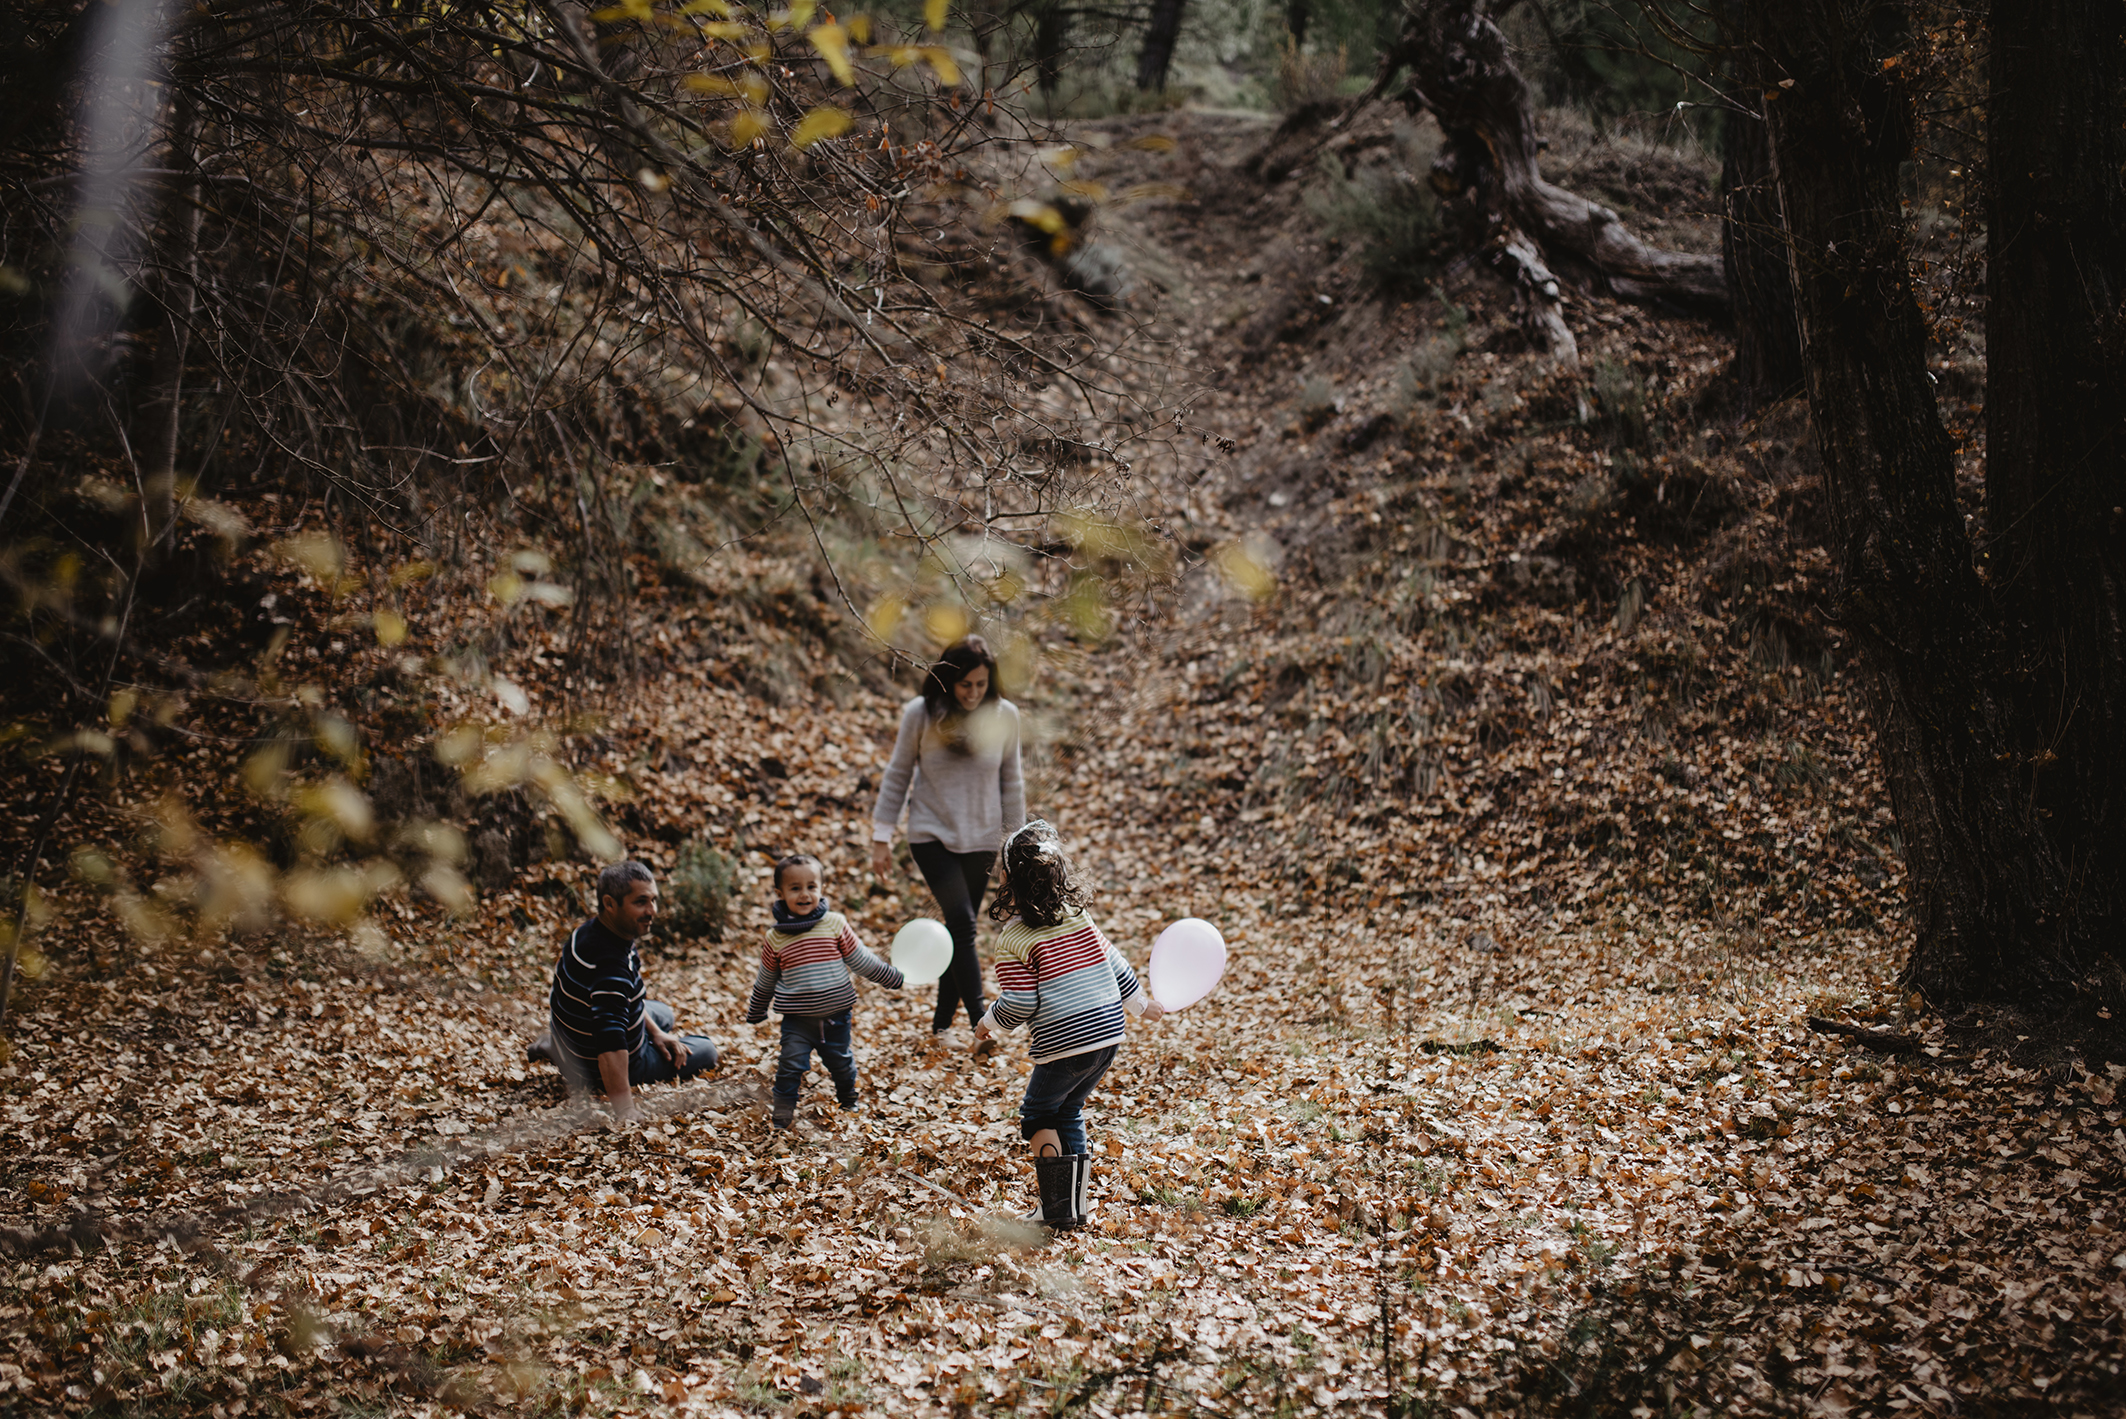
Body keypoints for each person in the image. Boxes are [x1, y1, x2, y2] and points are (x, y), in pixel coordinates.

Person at [973, 820, 1164, 1229]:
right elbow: (1115, 963)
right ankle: (1076, 1208)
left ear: (1010, 880)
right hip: (1108, 1032)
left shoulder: (1013, 939)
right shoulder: (1077, 915)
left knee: (1039, 1115)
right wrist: (1140, 1004)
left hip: (1067, 1040)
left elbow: (1021, 1001)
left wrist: (988, 1021)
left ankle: (1056, 1210)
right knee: (1070, 1109)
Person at [870, 635, 1026, 1045]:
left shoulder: (1004, 716)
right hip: (931, 834)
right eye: (965, 685)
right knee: (962, 925)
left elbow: (1012, 783)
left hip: (983, 838)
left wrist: (1015, 847)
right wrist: (881, 836)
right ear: (947, 681)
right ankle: (983, 1024)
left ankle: (941, 1028)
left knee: (959, 934)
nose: (974, 693)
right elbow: (898, 774)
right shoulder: (921, 715)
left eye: (981, 685)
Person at [531, 861, 719, 1121]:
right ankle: (565, 1055)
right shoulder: (610, 967)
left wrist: (657, 1034)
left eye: (654, 900)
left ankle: (553, 1046)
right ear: (610, 903)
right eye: (641, 902)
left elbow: (627, 1000)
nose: (651, 910)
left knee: (664, 1014)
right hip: (596, 1065)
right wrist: (625, 1109)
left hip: (570, 1046)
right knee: (707, 1049)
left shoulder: (589, 933)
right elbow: (610, 1040)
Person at [745, 852, 904, 1129]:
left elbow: (861, 960)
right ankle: (782, 1115)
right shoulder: (776, 937)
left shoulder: (834, 924)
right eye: (795, 888)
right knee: (790, 1064)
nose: (804, 894)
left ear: (822, 888)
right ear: (780, 893)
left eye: (811, 887)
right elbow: (766, 978)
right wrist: (757, 1008)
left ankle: (848, 1098)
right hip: (797, 1020)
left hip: (836, 1015)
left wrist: (890, 976)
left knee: (840, 1061)